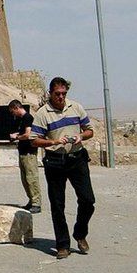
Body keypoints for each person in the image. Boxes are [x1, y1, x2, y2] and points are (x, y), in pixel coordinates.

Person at [31, 77, 95, 260]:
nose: (61, 97)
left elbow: (90, 130)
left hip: (77, 159)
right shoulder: (43, 114)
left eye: (64, 94)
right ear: (50, 93)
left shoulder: (75, 107)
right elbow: (34, 140)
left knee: (88, 200)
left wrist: (81, 136)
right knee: (57, 205)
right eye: (57, 94)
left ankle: (80, 233)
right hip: (55, 162)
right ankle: (62, 244)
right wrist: (53, 141)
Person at [8, 99, 41, 213]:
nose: (13, 115)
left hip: (29, 152)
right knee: (25, 179)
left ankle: (36, 203)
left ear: (16, 108)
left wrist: (16, 137)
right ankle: (31, 200)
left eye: (13, 112)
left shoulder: (28, 118)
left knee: (32, 178)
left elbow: (27, 135)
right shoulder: (22, 120)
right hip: (23, 152)